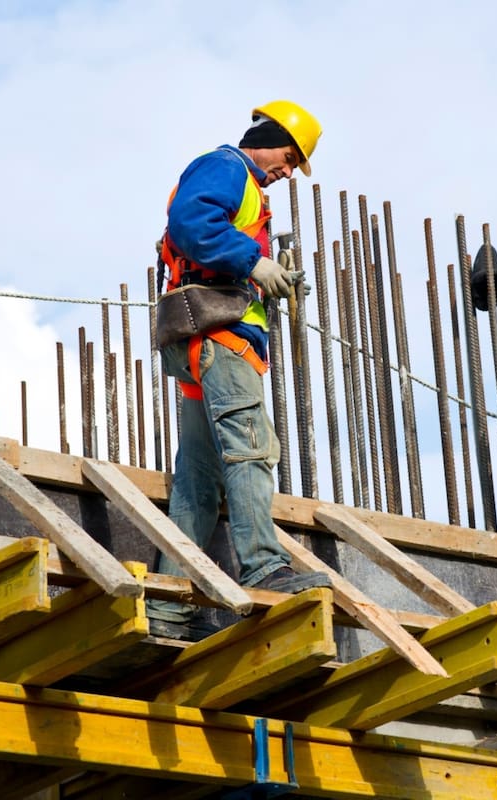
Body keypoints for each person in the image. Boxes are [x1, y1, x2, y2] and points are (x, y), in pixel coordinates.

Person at [147, 100, 331, 641]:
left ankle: (169, 604)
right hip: (220, 340)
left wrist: (261, 272)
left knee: (198, 482)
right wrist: (254, 263)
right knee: (252, 449)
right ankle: (264, 565)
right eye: (290, 156)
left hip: (204, 342)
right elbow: (190, 223)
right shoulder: (228, 167)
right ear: (269, 137)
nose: (289, 171)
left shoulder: (246, 187)